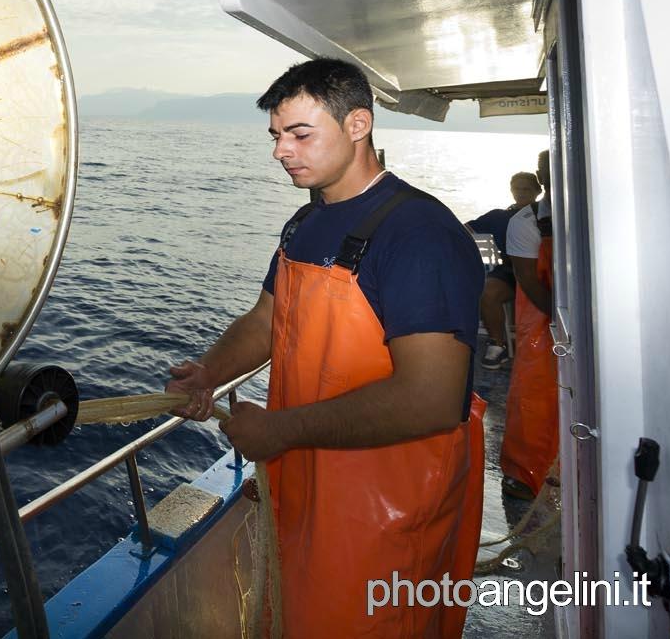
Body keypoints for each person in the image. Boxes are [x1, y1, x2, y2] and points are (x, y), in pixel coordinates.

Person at [166, 58, 485, 637]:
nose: (281, 151)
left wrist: (280, 431)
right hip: (308, 492)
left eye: (299, 134)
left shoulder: (419, 234)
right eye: (276, 136)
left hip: (385, 514)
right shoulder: (304, 224)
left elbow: (433, 398)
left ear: (358, 124)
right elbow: (267, 320)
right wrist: (210, 371)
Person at [499, 150, 558, 499]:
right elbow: (529, 281)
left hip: (587, 323)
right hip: (541, 322)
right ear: (541, 176)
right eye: (550, 169)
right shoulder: (526, 222)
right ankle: (525, 473)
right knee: (534, 395)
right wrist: (568, 320)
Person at [466, 171, 541, 368]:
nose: (521, 193)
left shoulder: (547, 217)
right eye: (517, 188)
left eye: (527, 189)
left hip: (542, 274)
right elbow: (463, 230)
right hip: (510, 274)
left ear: (538, 191)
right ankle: (498, 345)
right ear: (511, 191)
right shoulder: (498, 216)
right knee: (487, 290)